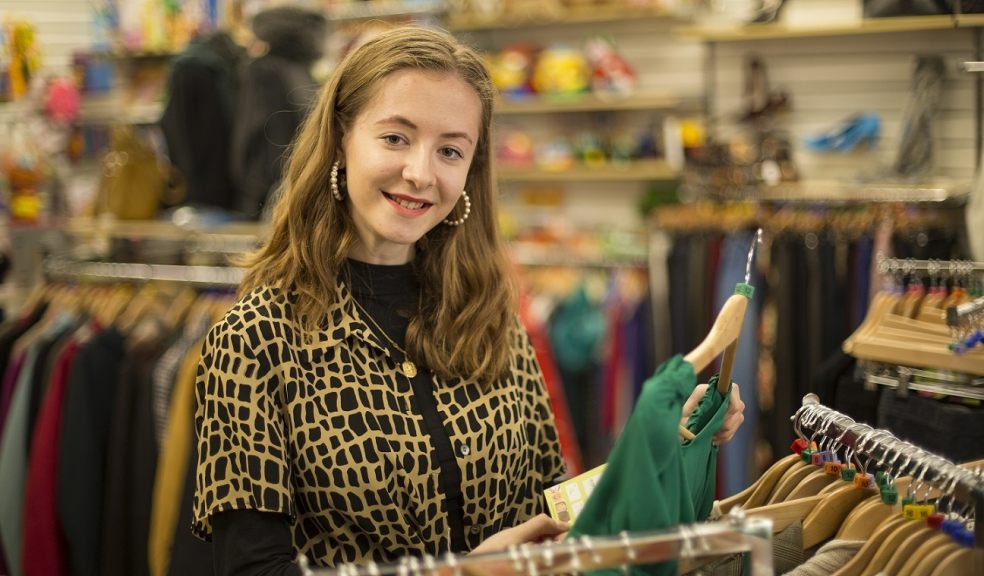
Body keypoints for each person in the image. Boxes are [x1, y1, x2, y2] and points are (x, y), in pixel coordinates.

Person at [192, 25, 745, 575]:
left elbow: (547, 505)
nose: (420, 173)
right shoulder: (256, 337)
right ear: (341, 138)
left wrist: (657, 443)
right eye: (395, 138)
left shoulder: (493, 318)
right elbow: (253, 569)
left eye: (450, 150)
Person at [231, 5, 327, 219]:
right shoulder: (301, 71)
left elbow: (252, 132)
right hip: (297, 181)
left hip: (265, 190)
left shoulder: (263, 70)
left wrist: (247, 191)